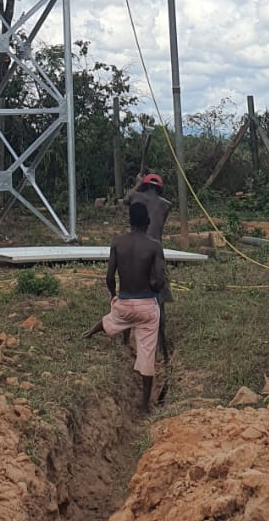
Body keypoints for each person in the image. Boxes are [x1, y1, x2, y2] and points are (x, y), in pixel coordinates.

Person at [82, 200, 169, 412]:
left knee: (111, 320)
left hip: (123, 304)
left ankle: (88, 333)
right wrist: (153, 286)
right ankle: (145, 406)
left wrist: (114, 296)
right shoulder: (154, 246)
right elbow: (160, 280)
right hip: (147, 307)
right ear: (148, 222)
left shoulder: (117, 243)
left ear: (129, 221)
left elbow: (109, 277)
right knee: (147, 354)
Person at [124, 173, 172, 241]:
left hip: (137, 243)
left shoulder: (135, 196)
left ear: (144, 186)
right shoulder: (167, 204)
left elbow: (125, 200)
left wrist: (138, 183)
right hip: (156, 246)